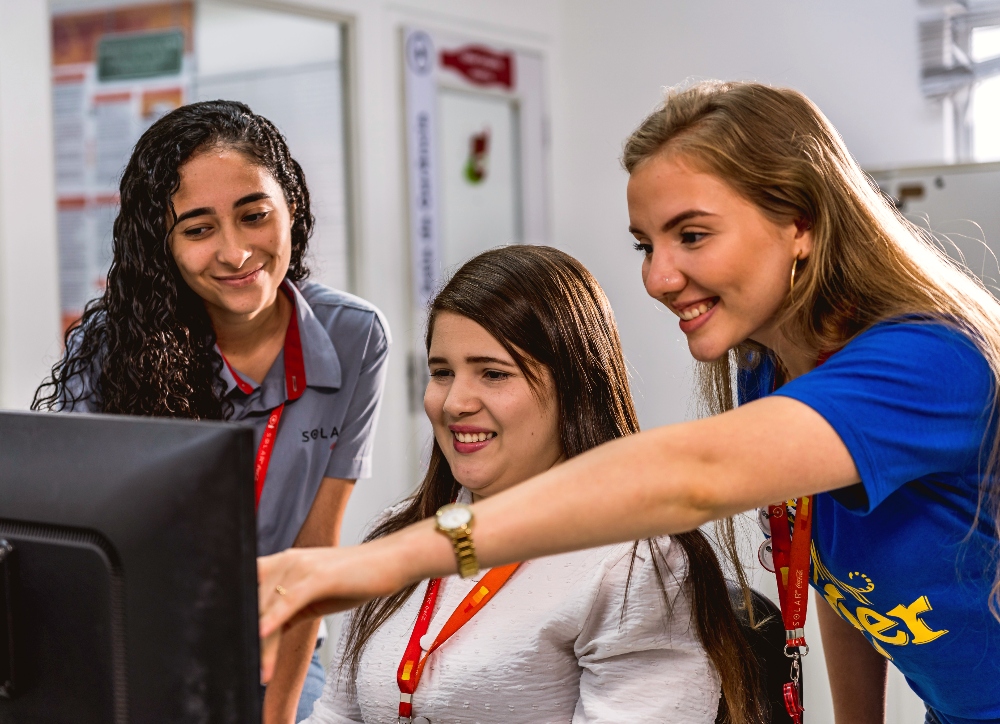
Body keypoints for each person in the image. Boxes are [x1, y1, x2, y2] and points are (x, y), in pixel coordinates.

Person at [259, 81, 1000, 724]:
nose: (658, 278)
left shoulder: (930, 362)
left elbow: (692, 478)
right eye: (646, 245)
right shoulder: (770, 368)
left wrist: (384, 562)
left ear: (799, 224)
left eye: (693, 235)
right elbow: (844, 577)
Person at [34, 100, 391, 724]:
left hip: (277, 639)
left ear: (291, 207)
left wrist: (276, 716)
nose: (235, 252)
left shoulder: (355, 336)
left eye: (254, 216)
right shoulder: (113, 345)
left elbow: (315, 550)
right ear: (164, 245)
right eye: (198, 229)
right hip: (137, 637)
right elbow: (67, 546)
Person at [306, 245, 764, 724]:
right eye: (442, 372)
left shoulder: (633, 565)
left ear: (574, 387)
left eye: (493, 374)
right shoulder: (400, 534)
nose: (455, 402)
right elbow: (337, 715)